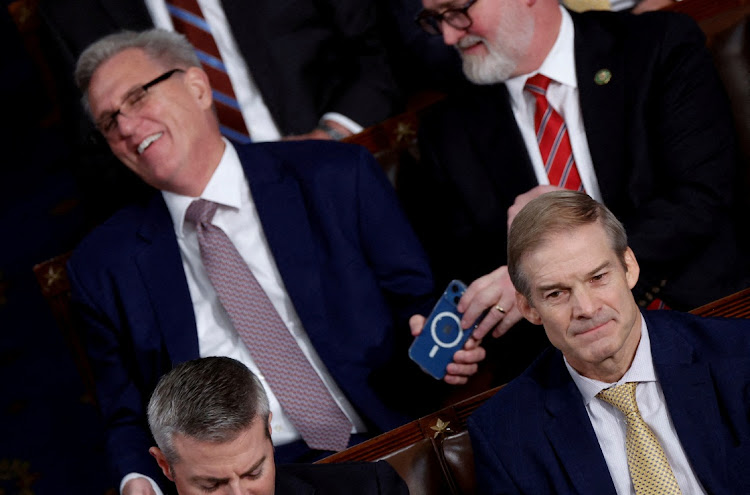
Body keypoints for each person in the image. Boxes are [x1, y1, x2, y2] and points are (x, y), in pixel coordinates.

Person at [66, 29, 485, 495]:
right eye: (108, 121)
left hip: (377, 434)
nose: (125, 126)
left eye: (137, 97)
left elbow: (419, 304)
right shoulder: (103, 267)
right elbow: (125, 414)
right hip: (229, 480)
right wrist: (135, 482)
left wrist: (444, 348)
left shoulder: (334, 175)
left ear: (198, 87)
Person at [399, 0, 749, 381]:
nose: (449, 35)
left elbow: (702, 197)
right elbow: (472, 270)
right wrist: (470, 328)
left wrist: (564, 247)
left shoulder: (656, 44)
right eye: (435, 19)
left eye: (458, 10)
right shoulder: (448, 130)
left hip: (707, 312)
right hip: (576, 367)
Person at [468, 190, 750, 494]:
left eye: (598, 278)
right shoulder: (505, 436)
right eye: (556, 293)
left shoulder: (739, 354)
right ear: (529, 309)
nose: (587, 309)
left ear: (629, 267)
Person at [39, 0, 402, 226]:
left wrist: (328, 141)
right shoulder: (70, 10)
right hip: (205, 224)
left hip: (340, 164)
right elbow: (97, 159)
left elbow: (378, 53)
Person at [147, 356, 409, 495]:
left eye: (253, 473)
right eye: (211, 485)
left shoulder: (370, 489)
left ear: (269, 432)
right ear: (166, 466)